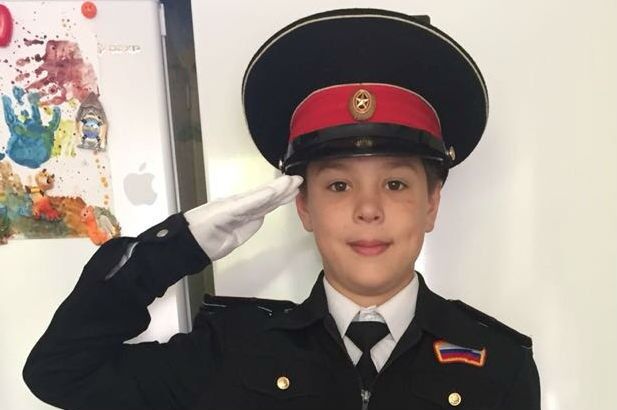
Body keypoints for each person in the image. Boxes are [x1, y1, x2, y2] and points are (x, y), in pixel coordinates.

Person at [23, 8, 540, 410]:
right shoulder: (232, 350)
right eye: (339, 185)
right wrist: (176, 247)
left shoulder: (500, 366)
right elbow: (61, 371)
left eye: (395, 183)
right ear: (304, 207)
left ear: (431, 204)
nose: (368, 208)